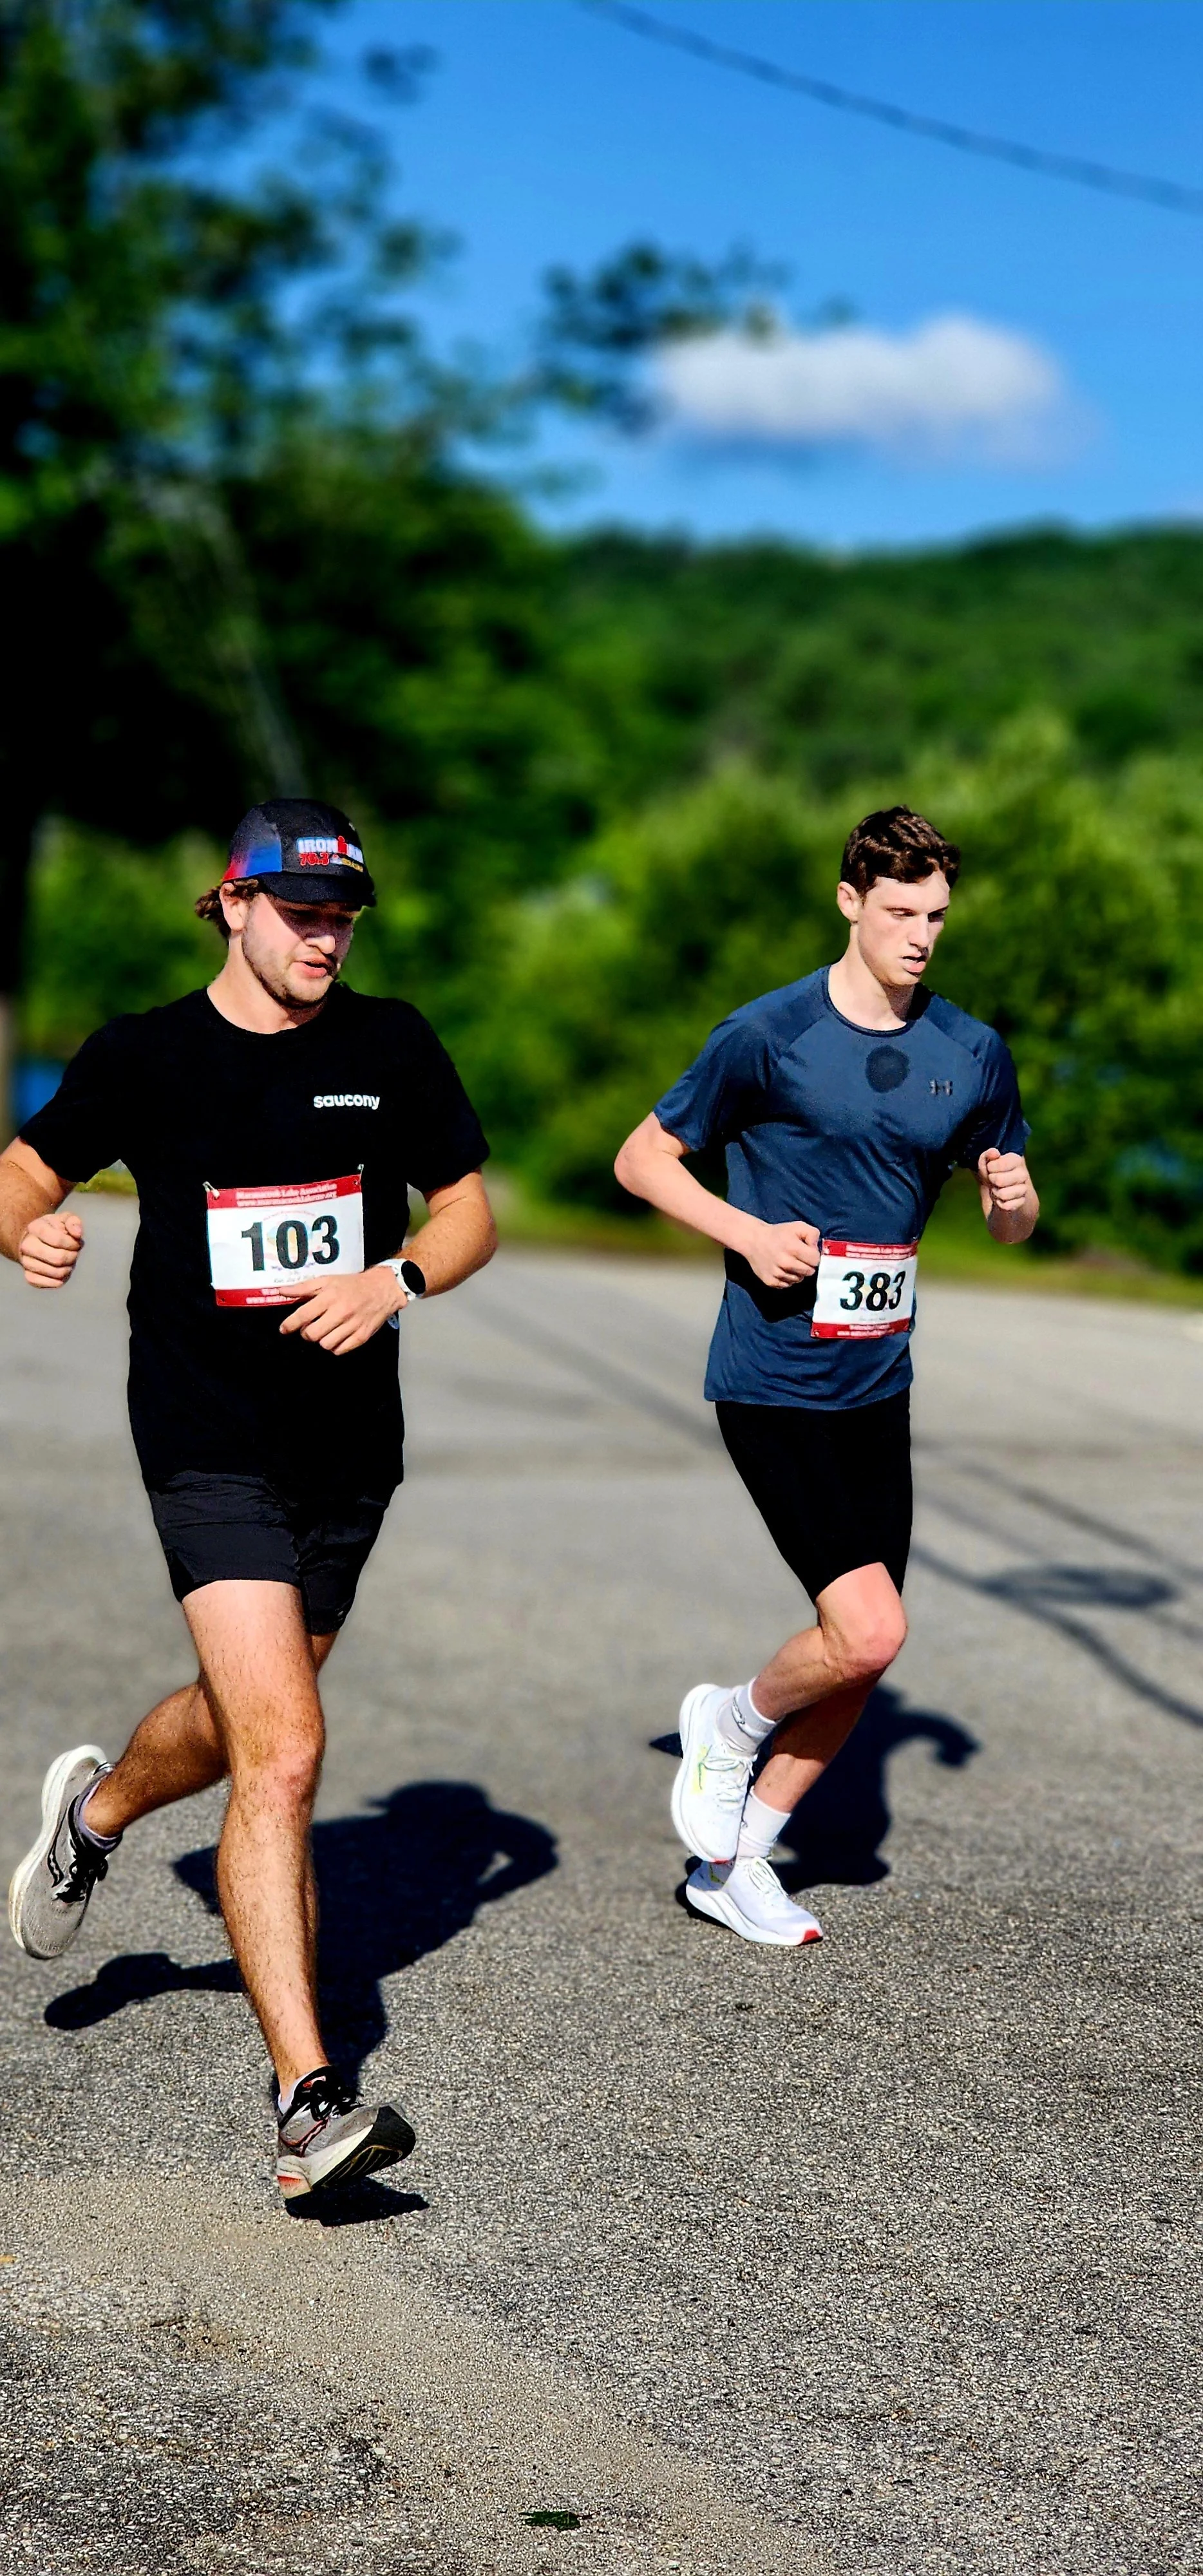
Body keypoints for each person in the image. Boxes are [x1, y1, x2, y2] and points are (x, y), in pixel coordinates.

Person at [3, 798, 496, 2195]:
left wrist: (397, 1273)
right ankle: (309, 2097)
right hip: (203, 1440)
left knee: (239, 1718)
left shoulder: (388, 1045)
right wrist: (29, 1226)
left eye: (342, 914)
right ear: (231, 902)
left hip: (349, 1455)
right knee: (285, 1753)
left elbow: (466, 1208)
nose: (326, 937)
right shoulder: (147, 1055)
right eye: (300, 911)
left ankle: (94, 1815)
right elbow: (21, 1172)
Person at [614, 806, 1037, 1949]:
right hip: (772, 1376)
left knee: (865, 1646)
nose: (920, 936)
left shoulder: (970, 1050)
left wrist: (1010, 1202)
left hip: (877, 1383)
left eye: (937, 915)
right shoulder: (767, 1035)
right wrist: (746, 1234)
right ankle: (728, 1719)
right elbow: (641, 1157)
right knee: (867, 1632)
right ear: (850, 901)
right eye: (899, 911)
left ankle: (738, 1860)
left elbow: (1015, 1218)